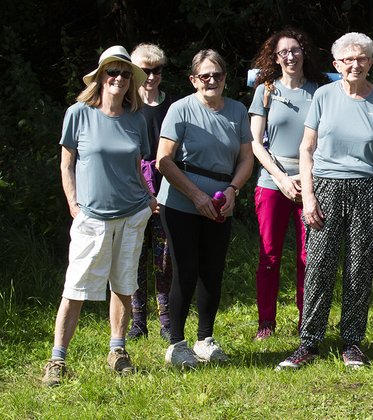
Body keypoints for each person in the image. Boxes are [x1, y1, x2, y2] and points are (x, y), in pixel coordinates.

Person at [276, 32, 373, 370]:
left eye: (361, 58)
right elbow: (306, 148)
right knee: (319, 265)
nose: (355, 64)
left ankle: (352, 343)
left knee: (360, 267)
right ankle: (309, 342)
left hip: (370, 190)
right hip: (326, 188)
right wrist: (308, 198)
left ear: (371, 63)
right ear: (336, 65)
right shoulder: (323, 95)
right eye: (348, 59)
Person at [44, 45, 155, 387]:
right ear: (101, 76)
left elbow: (140, 166)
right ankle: (57, 360)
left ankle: (118, 351)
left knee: (124, 284)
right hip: (91, 217)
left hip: (132, 214)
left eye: (125, 73)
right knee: (75, 287)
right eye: (112, 71)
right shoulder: (78, 113)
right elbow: (66, 164)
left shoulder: (137, 119)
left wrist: (149, 199)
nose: (118, 78)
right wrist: (74, 205)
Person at [158, 49, 254, 368]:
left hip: (220, 203)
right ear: (193, 79)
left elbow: (246, 159)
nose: (211, 80)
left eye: (218, 75)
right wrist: (196, 195)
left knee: (212, 271)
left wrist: (232, 190)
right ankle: (176, 344)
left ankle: (205, 339)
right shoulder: (180, 109)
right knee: (185, 271)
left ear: (226, 78)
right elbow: (164, 160)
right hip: (181, 202)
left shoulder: (238, 111)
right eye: (205, 76)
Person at [248, 28, 328, 341]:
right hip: (272, 183)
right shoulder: (266, 90)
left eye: (295, 50)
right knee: (269, 256)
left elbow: (326, 138)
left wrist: (304, 178)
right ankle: (266, 324)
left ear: (304, 52)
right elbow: (255, 143)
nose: (290, 56)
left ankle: (305, 323)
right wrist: (281, 178)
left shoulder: (320, 90)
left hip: (311, 183)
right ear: (276, 57)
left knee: (308, 258)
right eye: (284, 52)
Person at [126, 43, 176, 342]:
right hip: (133, 187)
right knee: (134, 256)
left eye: (157, 70)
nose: (151, 76)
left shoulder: (173, 104)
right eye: (145, 71)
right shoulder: (126, 105)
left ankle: (167, 320)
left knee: (165, 257)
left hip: (166, 184)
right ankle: (137, 320)